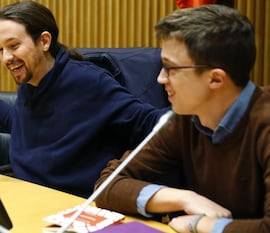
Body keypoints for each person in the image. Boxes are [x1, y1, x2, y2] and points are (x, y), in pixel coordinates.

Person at [0, 1, 166, 197]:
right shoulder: (31, 82)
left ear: (44, 41)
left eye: (14, 46)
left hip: (69, 207)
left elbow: (153, 124)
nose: (6, 58)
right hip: (26, 196)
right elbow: (17, 122)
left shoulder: (88, 81)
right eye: (0, 49)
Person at [94, 4, 269, 233]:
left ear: (215, 79)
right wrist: (182, 198)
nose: (159, 79)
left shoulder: (263, 123)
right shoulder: (185, 119)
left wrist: (200, 225)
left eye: (170, 68)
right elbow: (108, 184)